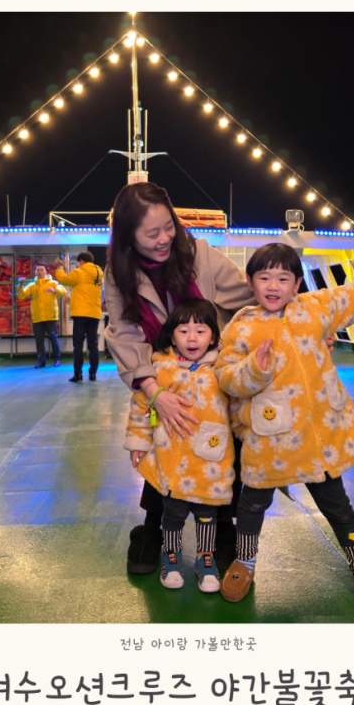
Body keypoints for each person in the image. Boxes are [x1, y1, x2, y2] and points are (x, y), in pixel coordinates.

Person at [215, 243, 354, 623]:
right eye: (264, 277)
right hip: (269, 441)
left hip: (318, 437)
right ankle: (245, 561)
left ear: (296, 284)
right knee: (251, 505)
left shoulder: (316, 307)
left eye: (283, 278)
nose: (273, 286)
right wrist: (254, 369)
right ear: (250, 282)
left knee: (339, 508)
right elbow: (225, 377)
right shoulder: (241, 326)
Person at [104, 181, 255, 575]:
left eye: (168, 226)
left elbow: (251, 299)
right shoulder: (118, 273)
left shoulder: (200, 255)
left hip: (214, 373)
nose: (164, 238)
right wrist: (156, 393)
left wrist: (303, 325)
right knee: (165, 440)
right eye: (151, 233)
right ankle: (153, 526)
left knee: (225, 446)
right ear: (128, 236)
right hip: (164, 374)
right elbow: (124, 334)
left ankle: (223, 527)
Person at [123, 299, 233, 593]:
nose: (192, 338)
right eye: (184, 331)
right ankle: (170, 557)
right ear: (172, 337)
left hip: (212, 461)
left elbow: (240, 402)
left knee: (208, 514)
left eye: (201, 331)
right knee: (172, 513)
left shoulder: (223, 368)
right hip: (171, 459)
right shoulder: (161, 368)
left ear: (214, 337)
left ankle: (206, 558)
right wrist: (139, 440)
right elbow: (144, 406)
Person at [54, 252, 104, 382]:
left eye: (78, 262)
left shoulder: (79, 272)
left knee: (78, 345)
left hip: (80, 313)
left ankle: (78, 375)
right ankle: (93, 374)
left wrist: (60, 268)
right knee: (93, 344)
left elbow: (63, 279)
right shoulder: (99, 274)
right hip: (94, 313)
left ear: (81, 261)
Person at [17, 262, 68, 369]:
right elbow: (22, 296)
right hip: (38, 317)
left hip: (50, 316)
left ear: (46, 271)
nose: (40, 272)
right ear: (35, 272)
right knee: (39, 340)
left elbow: (63, 292)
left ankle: (57, 359)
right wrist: (20, 285)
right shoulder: (32, 286)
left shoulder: (53, 283)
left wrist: (54, 290)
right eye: (38, 270)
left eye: (42, 270)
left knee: (53, 338)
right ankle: (41, 361)